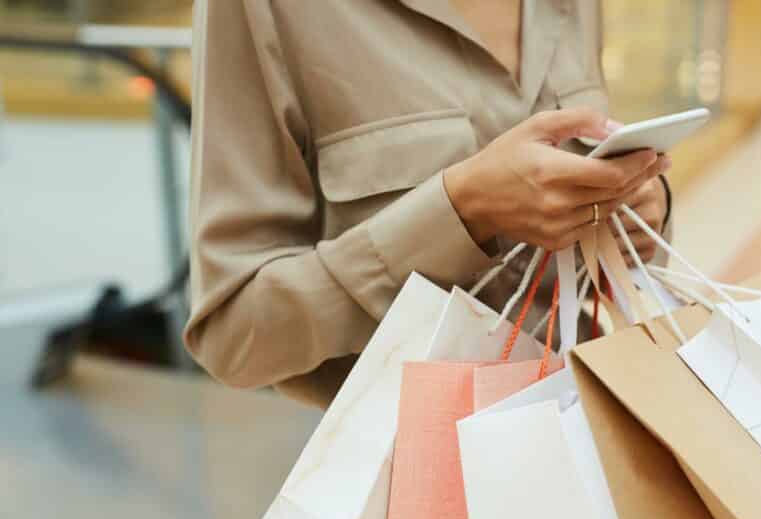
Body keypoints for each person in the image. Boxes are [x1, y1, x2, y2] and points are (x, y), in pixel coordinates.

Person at [185, 0, 673, 408]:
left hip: (587, 444)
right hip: (405, 488)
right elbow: (234, 336)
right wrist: (461, 211)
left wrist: (637, 207)